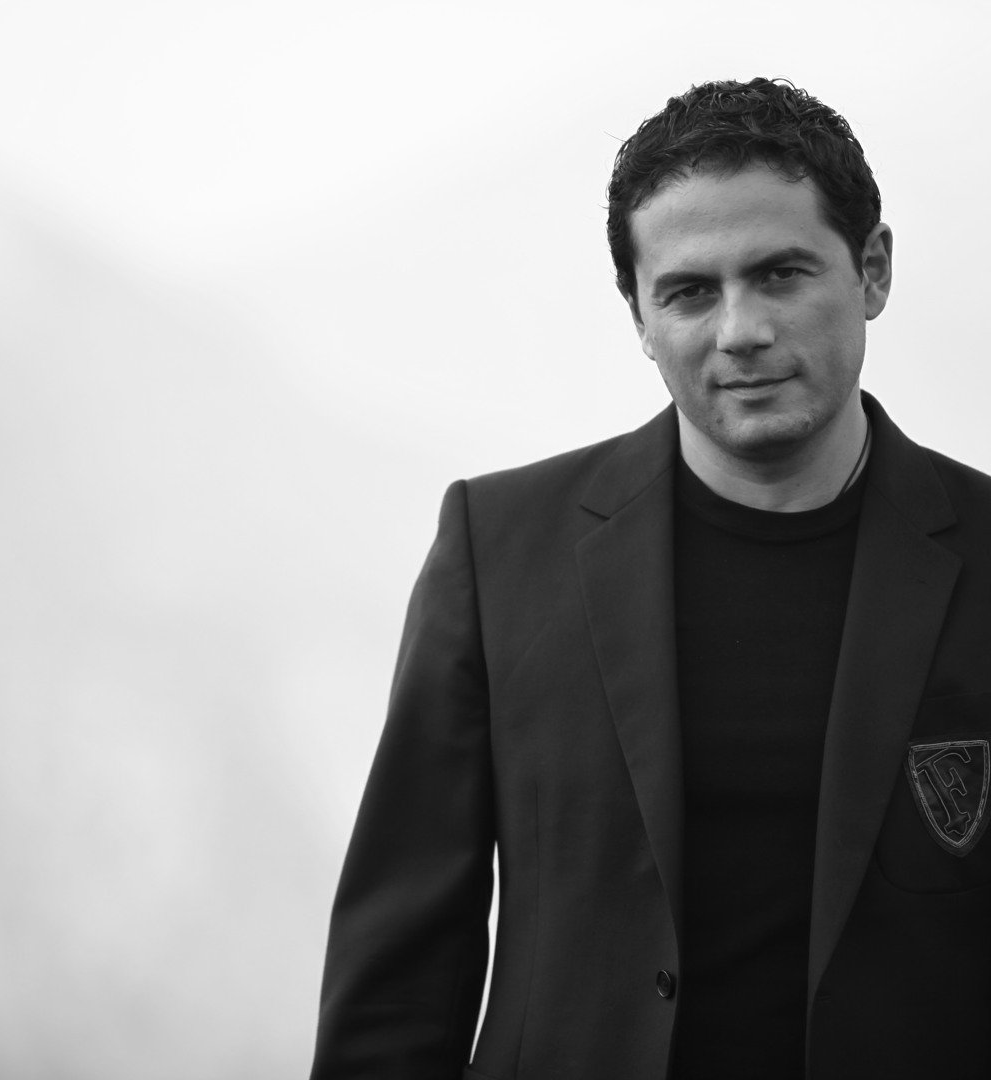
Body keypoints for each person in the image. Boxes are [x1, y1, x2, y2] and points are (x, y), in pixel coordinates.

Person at [309, 78, 991, 1079]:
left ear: (873, 270)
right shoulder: (498, 552)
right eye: (689, 292)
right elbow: (399, 978)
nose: (740, 329)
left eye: (781, 274)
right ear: (638, 315)